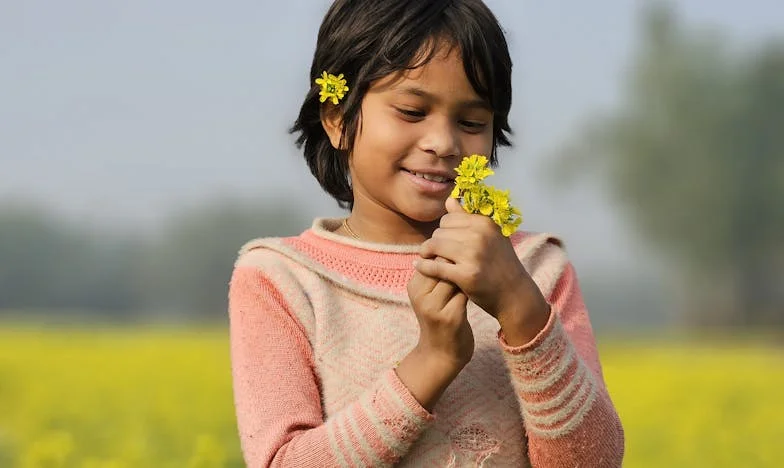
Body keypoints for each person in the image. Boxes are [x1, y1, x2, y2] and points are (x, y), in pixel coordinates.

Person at [228, 0, 625, 466]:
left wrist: (521, 308)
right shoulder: (282, 281)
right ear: (336, 118)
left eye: (472, 123)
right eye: (412, 111)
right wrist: (432, 360)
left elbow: (596, 461)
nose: (443, 143)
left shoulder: (537, 268)